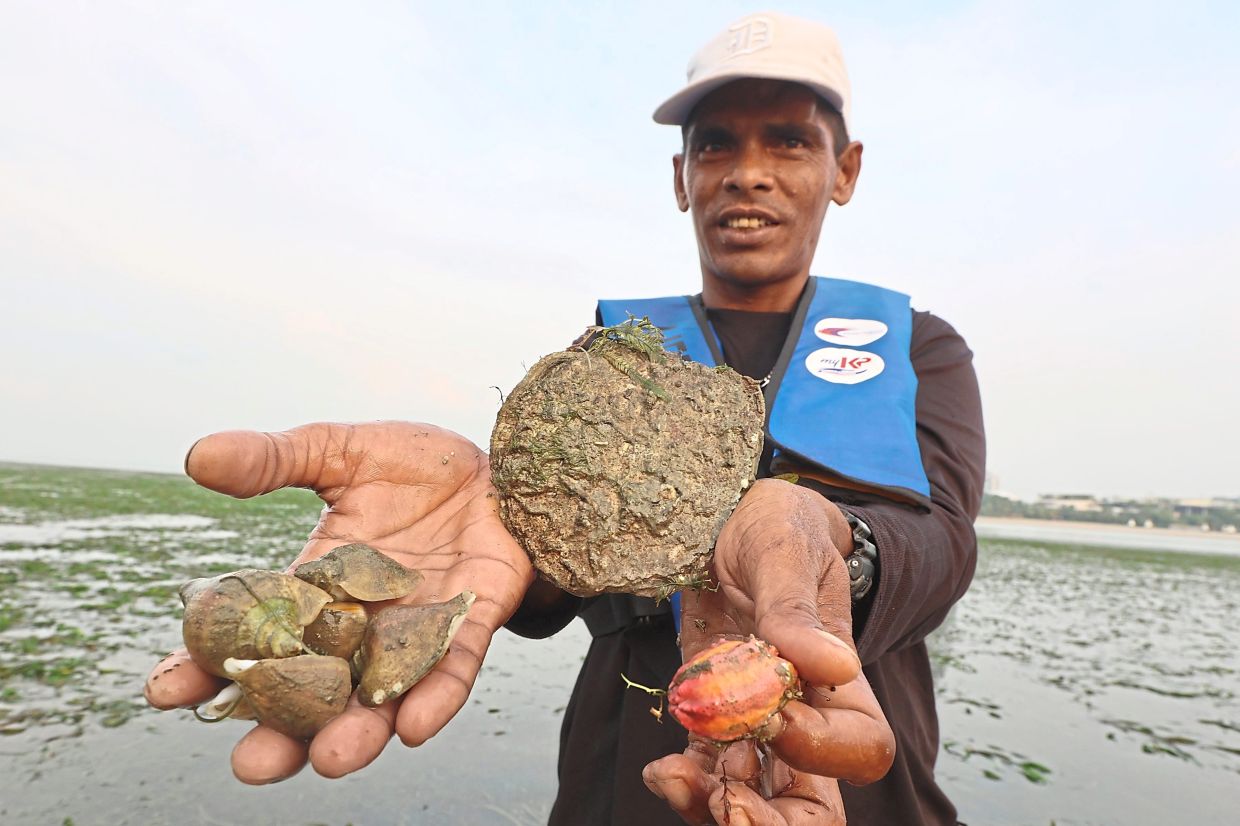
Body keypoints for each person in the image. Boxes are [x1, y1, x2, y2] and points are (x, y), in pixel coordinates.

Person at [145, 11, 983, 826]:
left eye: (790, 140)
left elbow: (943, 543)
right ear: (680, 175)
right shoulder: (607, 364)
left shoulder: (920, 349)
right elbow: (553, 583)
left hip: (857, 760)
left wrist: (840, 553)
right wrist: (509, 524)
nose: (748, 172)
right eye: (716, 143)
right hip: (628, 766)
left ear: (845, 169)